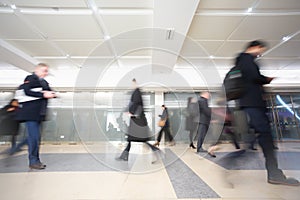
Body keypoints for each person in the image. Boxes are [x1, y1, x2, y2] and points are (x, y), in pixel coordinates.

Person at [237, 40, 299, 186]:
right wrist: (266, 79)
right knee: (266, 138)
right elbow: (254, 78)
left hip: (249, 105)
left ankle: (273, 172)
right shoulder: (246, 60)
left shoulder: (241, 61)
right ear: (253, 47)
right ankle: (274, 174)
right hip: (254, 104)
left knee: (260, 137)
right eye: (260, 49)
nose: (260, 53)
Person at [15, 63, 56, 170]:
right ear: (37, 70)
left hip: (39, 114)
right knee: (33, 138)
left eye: (46, 71)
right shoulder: (30, 78)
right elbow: (26, 91)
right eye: (44, 70)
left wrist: (53, 94)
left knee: (36, 138)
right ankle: (33, 161)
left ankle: (34, 159)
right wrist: (43, 94)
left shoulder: (44, 82)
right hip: (31, 114)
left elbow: (49, 91)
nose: (46, 73)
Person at [116, 79, 160, 163]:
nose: (131, 85)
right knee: (130, 139)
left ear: (135, 83)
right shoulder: (136, 92)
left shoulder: (137, 92)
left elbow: (135, 104)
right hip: (137, 121)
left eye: (132, 83)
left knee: (141, 140)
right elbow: (134, 104)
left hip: (138, 122)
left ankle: (156, 151)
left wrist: (130, 112)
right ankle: (124, 156)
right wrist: (128, 111)